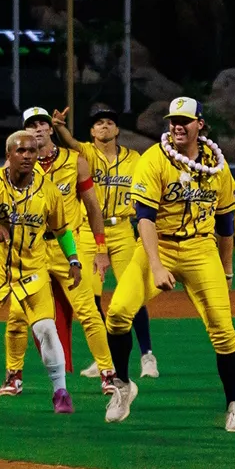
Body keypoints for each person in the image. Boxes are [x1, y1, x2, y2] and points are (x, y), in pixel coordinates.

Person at [101, 98, 235, 428]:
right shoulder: (154, 159)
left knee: (224, 331)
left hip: (200, 250)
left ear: (200, 125)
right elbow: (145, 219)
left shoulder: (216, 164)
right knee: (119, 313)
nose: (178, 125)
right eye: (173, 120)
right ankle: (122, 386)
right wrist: (156, 265)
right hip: (158, 245)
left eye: (185, 120)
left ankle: (233, 407)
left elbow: (225, 223)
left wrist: (227, 269)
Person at [0, 130, 82, 415]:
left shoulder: (48, 191)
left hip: (33, 270)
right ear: (8, 155)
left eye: (32, 151)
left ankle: (60, 392)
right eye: (21, 151)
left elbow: (61, 230)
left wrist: (73, 260)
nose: (27, 156)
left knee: (46, 329)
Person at [0, 107, 115, 397]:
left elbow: (92, 206)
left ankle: (108, 374)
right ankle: (14, 376)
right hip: (30, 250)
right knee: (16, 316)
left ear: (51, 129)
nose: (38, 128)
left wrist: (101, 249)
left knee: (89, 312)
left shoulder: (75, 161)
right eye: (31, 125)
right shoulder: (15, 164)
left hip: (68, 248)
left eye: (42, 123)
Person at [51, 103, 158, 381]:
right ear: (92, 130)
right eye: (99, 123)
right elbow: (70, 142)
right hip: (87, 231)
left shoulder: (135, 158)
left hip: (122, 229)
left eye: (110, 122)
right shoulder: (85, 153)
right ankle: (105, 359)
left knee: (131, 293)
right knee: (90, 295)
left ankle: (147, 355)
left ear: (118, 129)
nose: (104, 126)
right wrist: (59, 126)